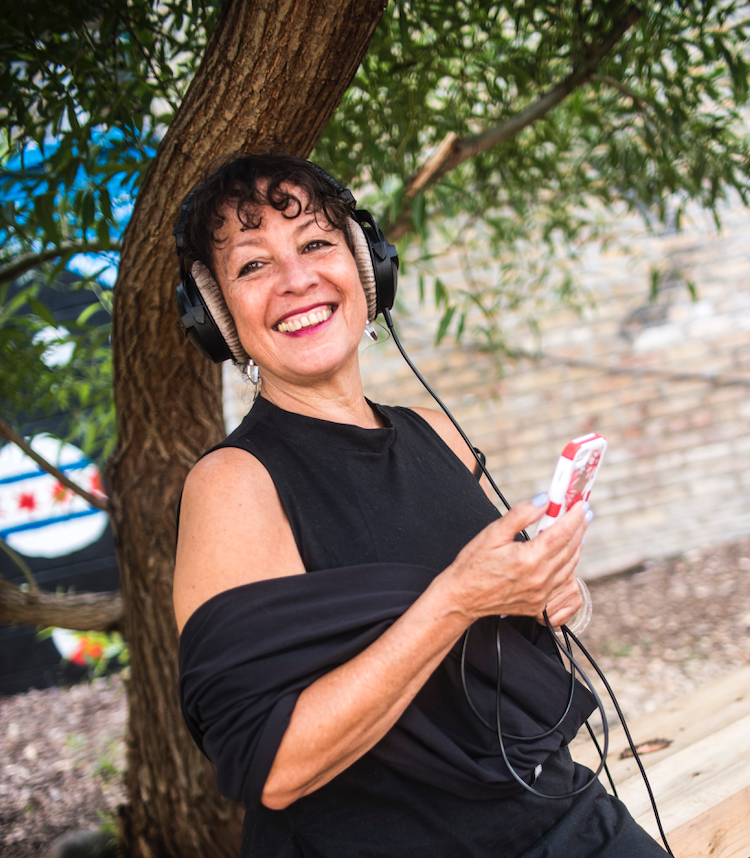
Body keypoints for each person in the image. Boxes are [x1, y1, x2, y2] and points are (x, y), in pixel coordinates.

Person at [173, 153, 669, 857]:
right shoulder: (233, 484)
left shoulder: (435, 432)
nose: (296, 279)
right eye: (253, 265)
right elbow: (273, 766)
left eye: (316, 244)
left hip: (561, 814)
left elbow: (502, 633)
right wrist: (455, 602)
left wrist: (554, 596)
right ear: (217, 315)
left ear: (366, 266)